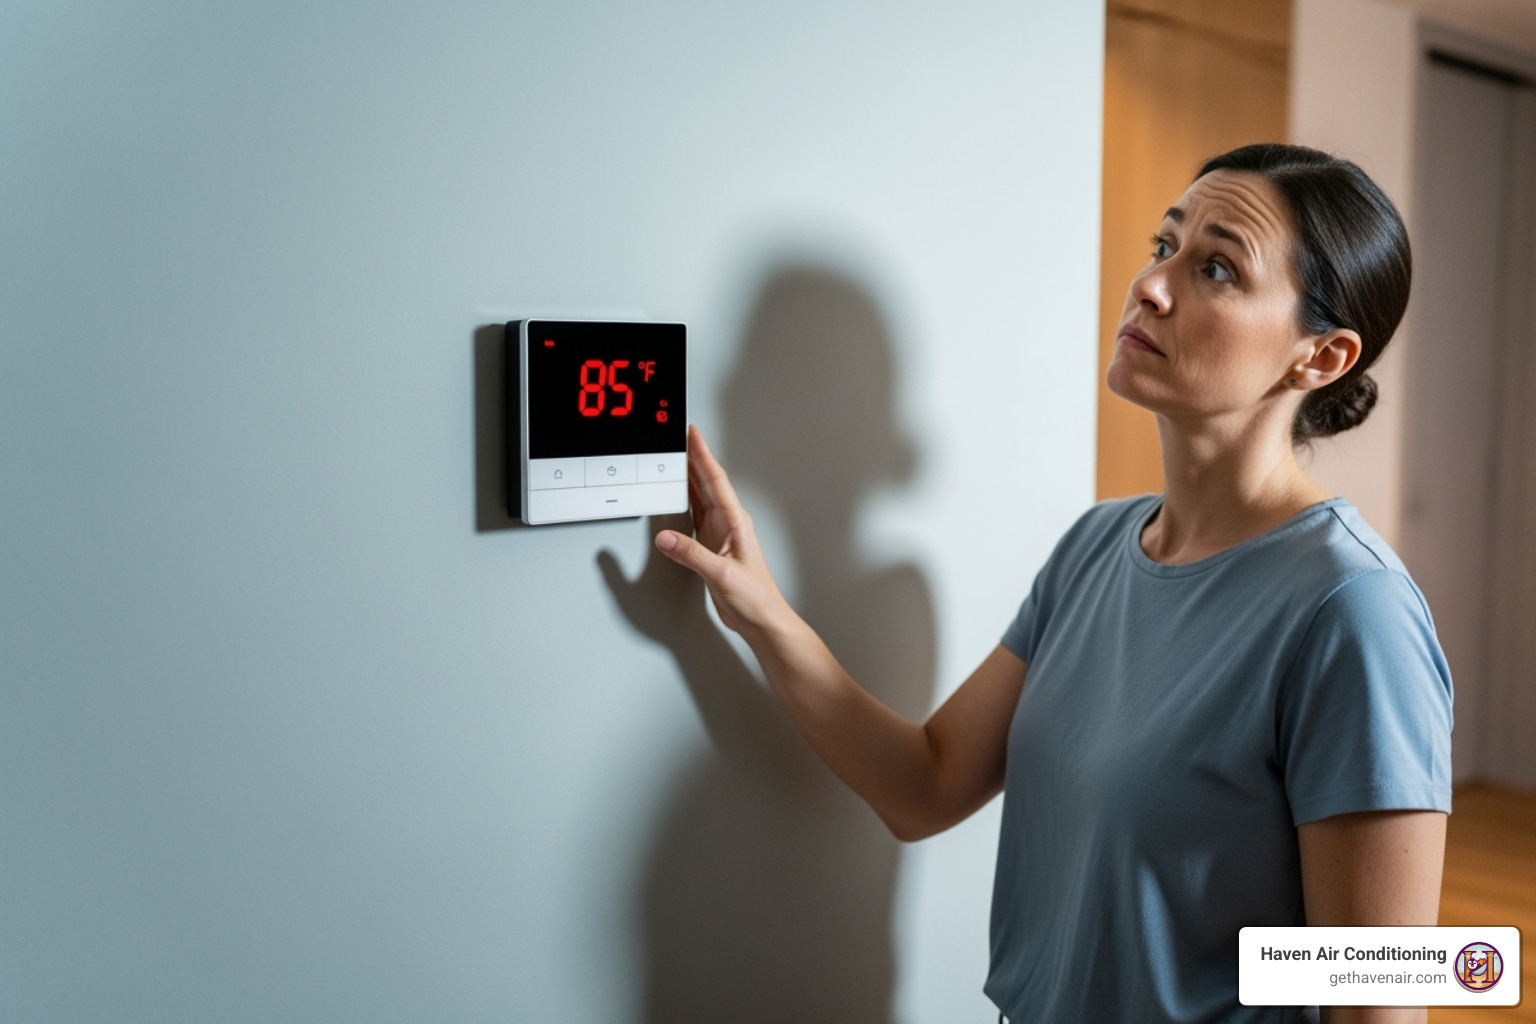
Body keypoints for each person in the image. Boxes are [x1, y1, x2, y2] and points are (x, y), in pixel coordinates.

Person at [649, 144, 1453, 1024]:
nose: (1151, 284)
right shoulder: (1095, 548)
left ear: (1321, 357)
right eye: (1165, 243)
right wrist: (762, 612)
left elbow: (1374, 1001)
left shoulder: (1351, 611)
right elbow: (926, 784)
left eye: (1218, 268)